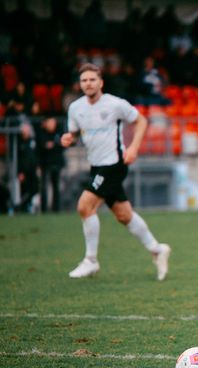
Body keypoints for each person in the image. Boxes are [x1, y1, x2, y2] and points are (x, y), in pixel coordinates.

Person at [61, 63, 171, 280]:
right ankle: (157, 250)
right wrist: (69, 138)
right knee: (123, 214)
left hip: (114, 164)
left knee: (85, 206)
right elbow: (74, 133)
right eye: (84, 80)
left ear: (100, 82)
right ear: (80, 84)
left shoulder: (114, 104)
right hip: (96, 165)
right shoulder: (76, 108)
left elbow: (141, 121)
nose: (88, 84)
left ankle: (90, 260)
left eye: (92, 79)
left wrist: (134, 148)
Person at [36, 116, 65, 212]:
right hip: (45, 164)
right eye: (50, 122)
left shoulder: (59, 132)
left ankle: (56, 209)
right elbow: (40, 148)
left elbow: (62, 145)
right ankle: (43, 209)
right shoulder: (41, 133)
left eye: (53, 122)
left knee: (56, 186)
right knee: (43, 187)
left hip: (56, 163)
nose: (52, 125)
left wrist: (53, 145)